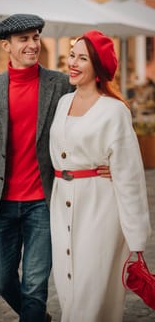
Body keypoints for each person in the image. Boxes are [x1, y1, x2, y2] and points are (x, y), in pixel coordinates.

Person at [0, 15, 110, 322]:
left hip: (44, 202)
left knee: (34, 286)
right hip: (0, 202)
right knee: (3, 282)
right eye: (24, 40)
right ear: (6, 46)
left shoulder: (59, 84)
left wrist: (106, 160)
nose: (33, 45)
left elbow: (90, 117)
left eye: (36, 37)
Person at [49, 30, 152, 322]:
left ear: (98, 67)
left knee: (90, 293)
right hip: (61, 204)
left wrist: (137, 241)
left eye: (83, 58)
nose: (73, 63)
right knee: (68, 288)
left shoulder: (115, 110)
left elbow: (129, 176)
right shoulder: (62, 103)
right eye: (72, 55)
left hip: (100, 207)